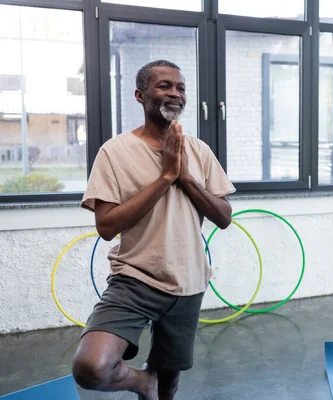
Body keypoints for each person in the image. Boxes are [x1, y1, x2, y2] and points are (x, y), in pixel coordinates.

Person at [71, 60, 236, 400]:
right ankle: (143, 382)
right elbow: (106, 226)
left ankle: (155, 385)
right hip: (134, 279)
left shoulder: (200, 151)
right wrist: (165, 177)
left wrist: (185, 176)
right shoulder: (114, 152)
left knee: (169, 385)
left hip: (188, 282)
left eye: (180, 87)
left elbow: (223, 217)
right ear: (140, 95)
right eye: (164, 86)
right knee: (92, 367)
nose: (175, 93)